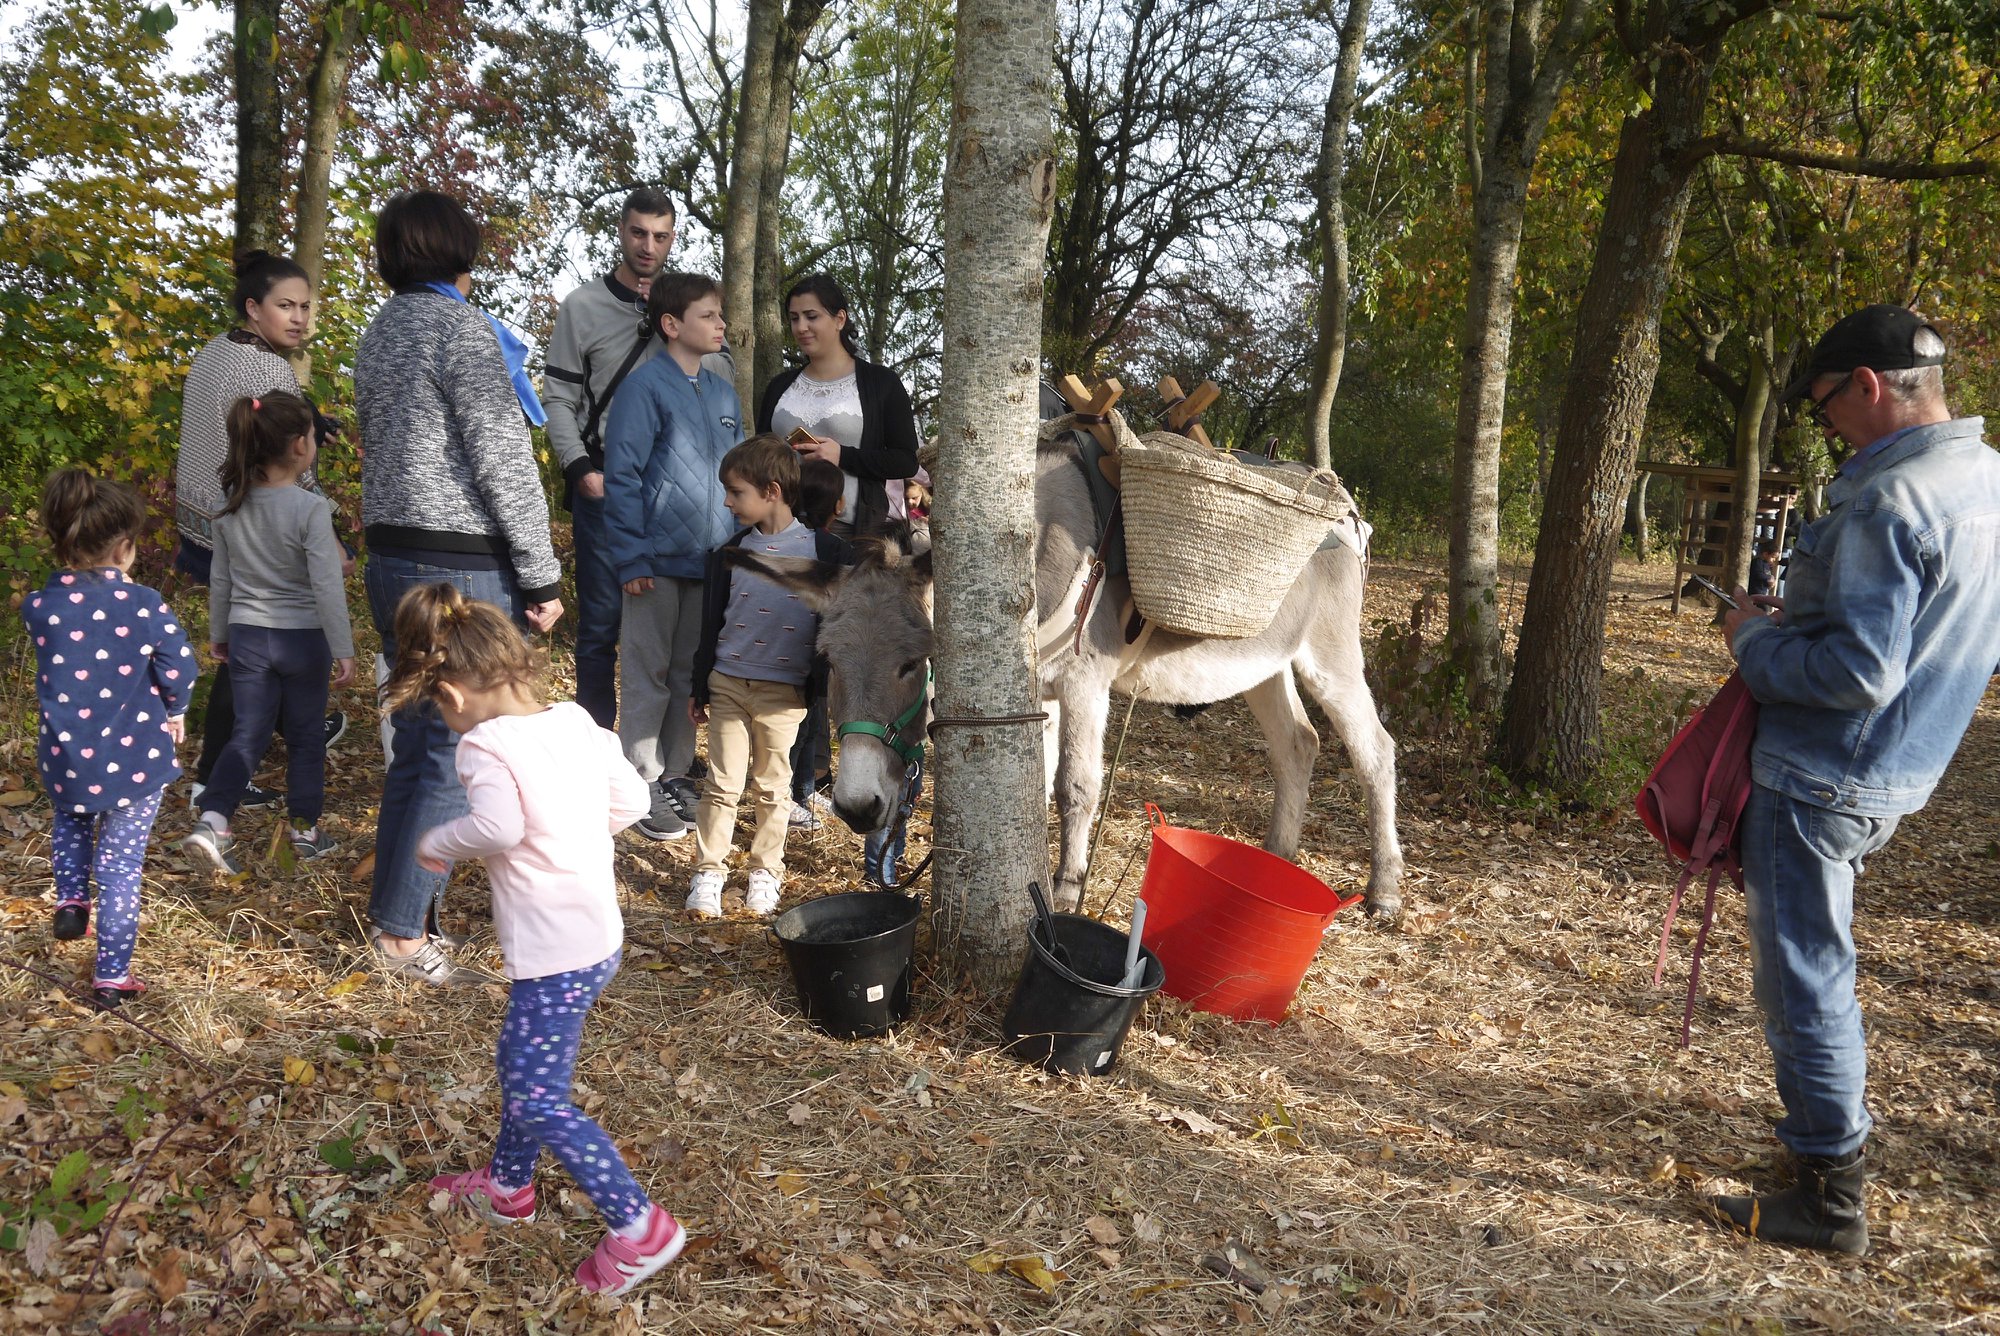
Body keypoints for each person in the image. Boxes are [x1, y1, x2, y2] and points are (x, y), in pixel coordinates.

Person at [1713, 305, 2000, 1255]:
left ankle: (1830, 1196)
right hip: (1899, 772)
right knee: (1817, 963)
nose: (1825, 420)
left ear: (1868, 387)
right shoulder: (1986, 479)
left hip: (1823, 778)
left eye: (1828, 402)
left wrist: (1753, 638)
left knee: (1805, 976)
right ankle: (1825, 1156)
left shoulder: (1890, 500)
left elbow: (1855, 675)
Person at [382, 584, 683, 1297]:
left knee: (537, 1092)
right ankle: (510, 1187)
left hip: (553, 952)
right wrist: (575, 835)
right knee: (522, 1067)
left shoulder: (485, 744)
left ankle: (639, 1227)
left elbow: (500, 828)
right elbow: (635, 803)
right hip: (597, 936)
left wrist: (437, 842)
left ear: (452, 696)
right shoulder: (577, 720)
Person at [353, 190, 565, 984]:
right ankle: (405, 939)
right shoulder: (462, 330)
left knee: (418, 748)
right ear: (460, 251)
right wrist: (541, 571)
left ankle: (400, 921)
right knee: (451, 750)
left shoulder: (378, 335)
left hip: (391, 558)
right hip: (460, 562)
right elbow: (502, 461)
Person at [542, 188, 733, 731]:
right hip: (609, 486)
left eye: (661, 235)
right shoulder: (584, 307)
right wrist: (580, 469)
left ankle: (664, 761)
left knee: (681, 640)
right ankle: (599, 752)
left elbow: (719, 390)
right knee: (602, 626)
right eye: (638, 232)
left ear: (673, 238)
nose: (648, 245)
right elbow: (557, 398)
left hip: (683, 497)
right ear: (621, 232)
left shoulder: (692, 309)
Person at [175, 249, 348, 810]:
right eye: (285, 306)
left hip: (206, 517)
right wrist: (332, 541)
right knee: (256, 646)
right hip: (250, 523)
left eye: (305, 306)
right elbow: (295, 464)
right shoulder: (268, 370)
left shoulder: (214, 350)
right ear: (254, 308)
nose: (299, 317)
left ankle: (284, 727)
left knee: (248, 645)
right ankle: (216, 776)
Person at [25, 469, 197, 1010]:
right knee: (121, 867)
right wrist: (176, 709)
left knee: (70, 820)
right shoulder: (144, 604)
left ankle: (72, 900)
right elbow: (180, 666)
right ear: (125, 546)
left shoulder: (39, 606)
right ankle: (111, 978)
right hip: (135, 758)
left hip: (65, 755)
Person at [181, 394, 356, 873]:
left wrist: (220, 633)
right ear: (301, 446)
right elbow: (325, 583)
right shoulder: (309, 509)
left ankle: (213, 819)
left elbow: (221, 578)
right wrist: (343, 648)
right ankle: (305, 831)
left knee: (246, 734)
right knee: (304, 739)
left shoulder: (229, 504)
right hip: (303, 639)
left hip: (248, 635)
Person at [601, 272, 740, 841]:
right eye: (709, 315)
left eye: (720, 315)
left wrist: (735, 553)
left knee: (689, 676)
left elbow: (738, 480)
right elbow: (623, 475)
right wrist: (631, 558)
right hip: (654, 562)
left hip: (709, 563)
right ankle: (639, 784)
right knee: (646, 673)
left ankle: (676, 775)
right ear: (672, 324)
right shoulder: (643, 388)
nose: (720, 324)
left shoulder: (725, 392)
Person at [686, 436, 850, 917]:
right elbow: (711, 623)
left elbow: (843, 623)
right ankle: (708, 873)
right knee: (721, 783)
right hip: (729, 682)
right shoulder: (729, 553)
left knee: (772, 786)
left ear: (772, 490)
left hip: (785, 692)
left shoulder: (826, 552)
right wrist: (699, 686)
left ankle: (764, 872)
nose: (727, 501)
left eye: (736, 492)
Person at [757, 274, 920, 540]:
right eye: (794, 317)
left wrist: (842, 456)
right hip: (780, 530)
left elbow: (905, 461)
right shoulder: (779, 386)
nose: (801, 327)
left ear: (839, 319)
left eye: (811, 316)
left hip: (853, 534)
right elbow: (759, 455)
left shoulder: (881, 383)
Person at [786, 457, 846, 831]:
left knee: (809, 725)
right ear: (837, 505)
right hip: (806, 654)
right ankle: (789, 795)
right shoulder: (832, 548)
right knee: (799, 727)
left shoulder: (802, 543)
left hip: (808, 653)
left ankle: (804, 789)